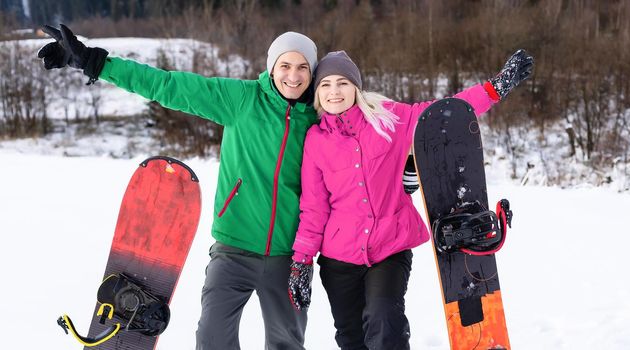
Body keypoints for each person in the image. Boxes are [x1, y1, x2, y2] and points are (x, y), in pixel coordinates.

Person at [37, 24, 323, 350]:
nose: (293, 75)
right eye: (285, 65)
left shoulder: (320, 117)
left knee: (288, 342)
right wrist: (97, 63)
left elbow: (366, 137)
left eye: (303, 67)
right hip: (234, 249)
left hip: (290, 256)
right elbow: (169, 85)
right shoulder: (243, 99)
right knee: (212, 338)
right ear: (272, 67)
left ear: (312, 72)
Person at [287, 50, 533, 349]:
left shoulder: (389, 119)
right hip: (339, 258)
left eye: (342, 83)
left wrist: (494, 89)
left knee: (384, 320)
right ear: (317, 93)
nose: (334, 91)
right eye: (326, 85)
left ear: (356, 88)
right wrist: (301, 262)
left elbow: (444, 114)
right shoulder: (316, 139)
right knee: (350, 337)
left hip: (389, 247)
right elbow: (314, 207)